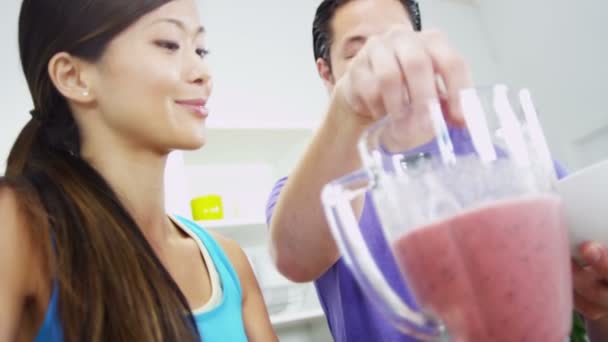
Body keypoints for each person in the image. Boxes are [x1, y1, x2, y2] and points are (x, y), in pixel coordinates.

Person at [265, 0, 608, 340]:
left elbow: (592, 289)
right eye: (359, 53)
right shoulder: (309, 190)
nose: (384, 64)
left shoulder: (513, 160)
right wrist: (348, 109)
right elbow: (295, 257)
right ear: (326, 72)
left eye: (395, 43)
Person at [0, 0, 277, 341]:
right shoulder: (19, 224)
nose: (203, 73)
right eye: (168, 44)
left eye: (201, 50)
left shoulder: (227, 261)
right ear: (72, 76)